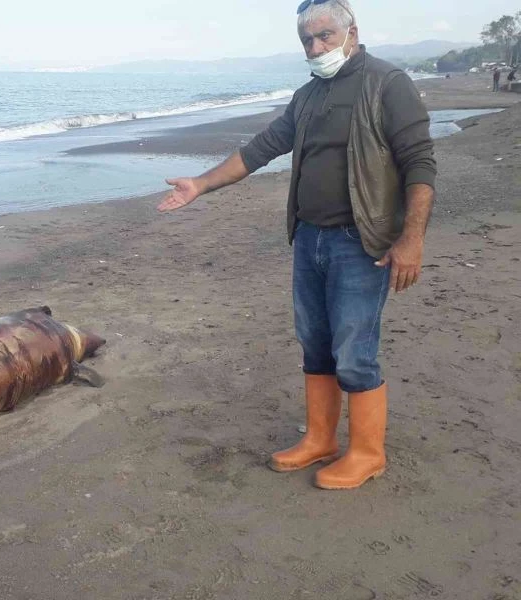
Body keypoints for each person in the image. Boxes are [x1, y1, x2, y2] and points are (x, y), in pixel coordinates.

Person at [158, 0, 436, 490]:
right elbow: (261, 148)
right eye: (307, 40)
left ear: (352, 33)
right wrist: (200, 184)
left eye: (325, 36)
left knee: (355, 350)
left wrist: (411, 239)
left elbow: (419, 163)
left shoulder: (388, 84)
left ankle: (368, 452)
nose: (316, 47)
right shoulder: (308, 96)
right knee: (316, 345)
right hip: (310, 239)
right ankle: (322, 440)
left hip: (362, 243)